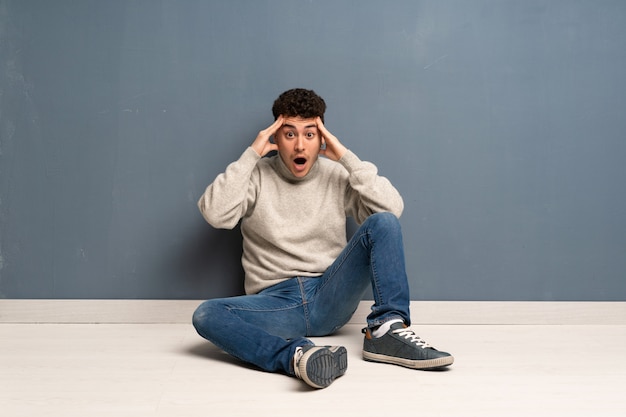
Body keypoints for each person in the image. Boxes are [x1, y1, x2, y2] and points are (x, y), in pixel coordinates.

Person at [193, 88, 453, 389]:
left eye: (309, 134)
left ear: (321, 139)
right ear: (275, 139)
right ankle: (298, 356)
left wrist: (345, 157)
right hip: (277, 304)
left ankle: (385, 331)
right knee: (206, 315)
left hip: (330, 293)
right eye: (289, 134)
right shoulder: (254, 175)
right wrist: (251, 154)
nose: (299, 145)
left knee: (382, 222)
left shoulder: (336, 174)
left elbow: (392, 210)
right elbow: (214, 213)